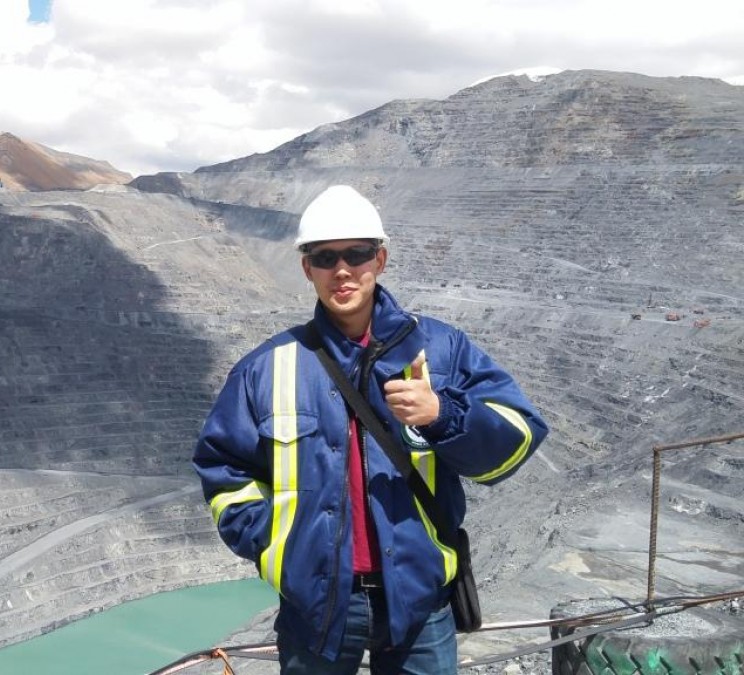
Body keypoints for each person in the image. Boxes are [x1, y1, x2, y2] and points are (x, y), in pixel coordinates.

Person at [192, 185, 549, 674]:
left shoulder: (442, 349)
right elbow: (223, 467)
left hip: (420, 601)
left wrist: (442, 414)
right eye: (325, 257)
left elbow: (519, 437)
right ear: (307, 269)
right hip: (314, 605)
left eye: (356, 254)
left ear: (380, 259)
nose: (342, 270)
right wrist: (275, 546)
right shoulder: (267, 367)